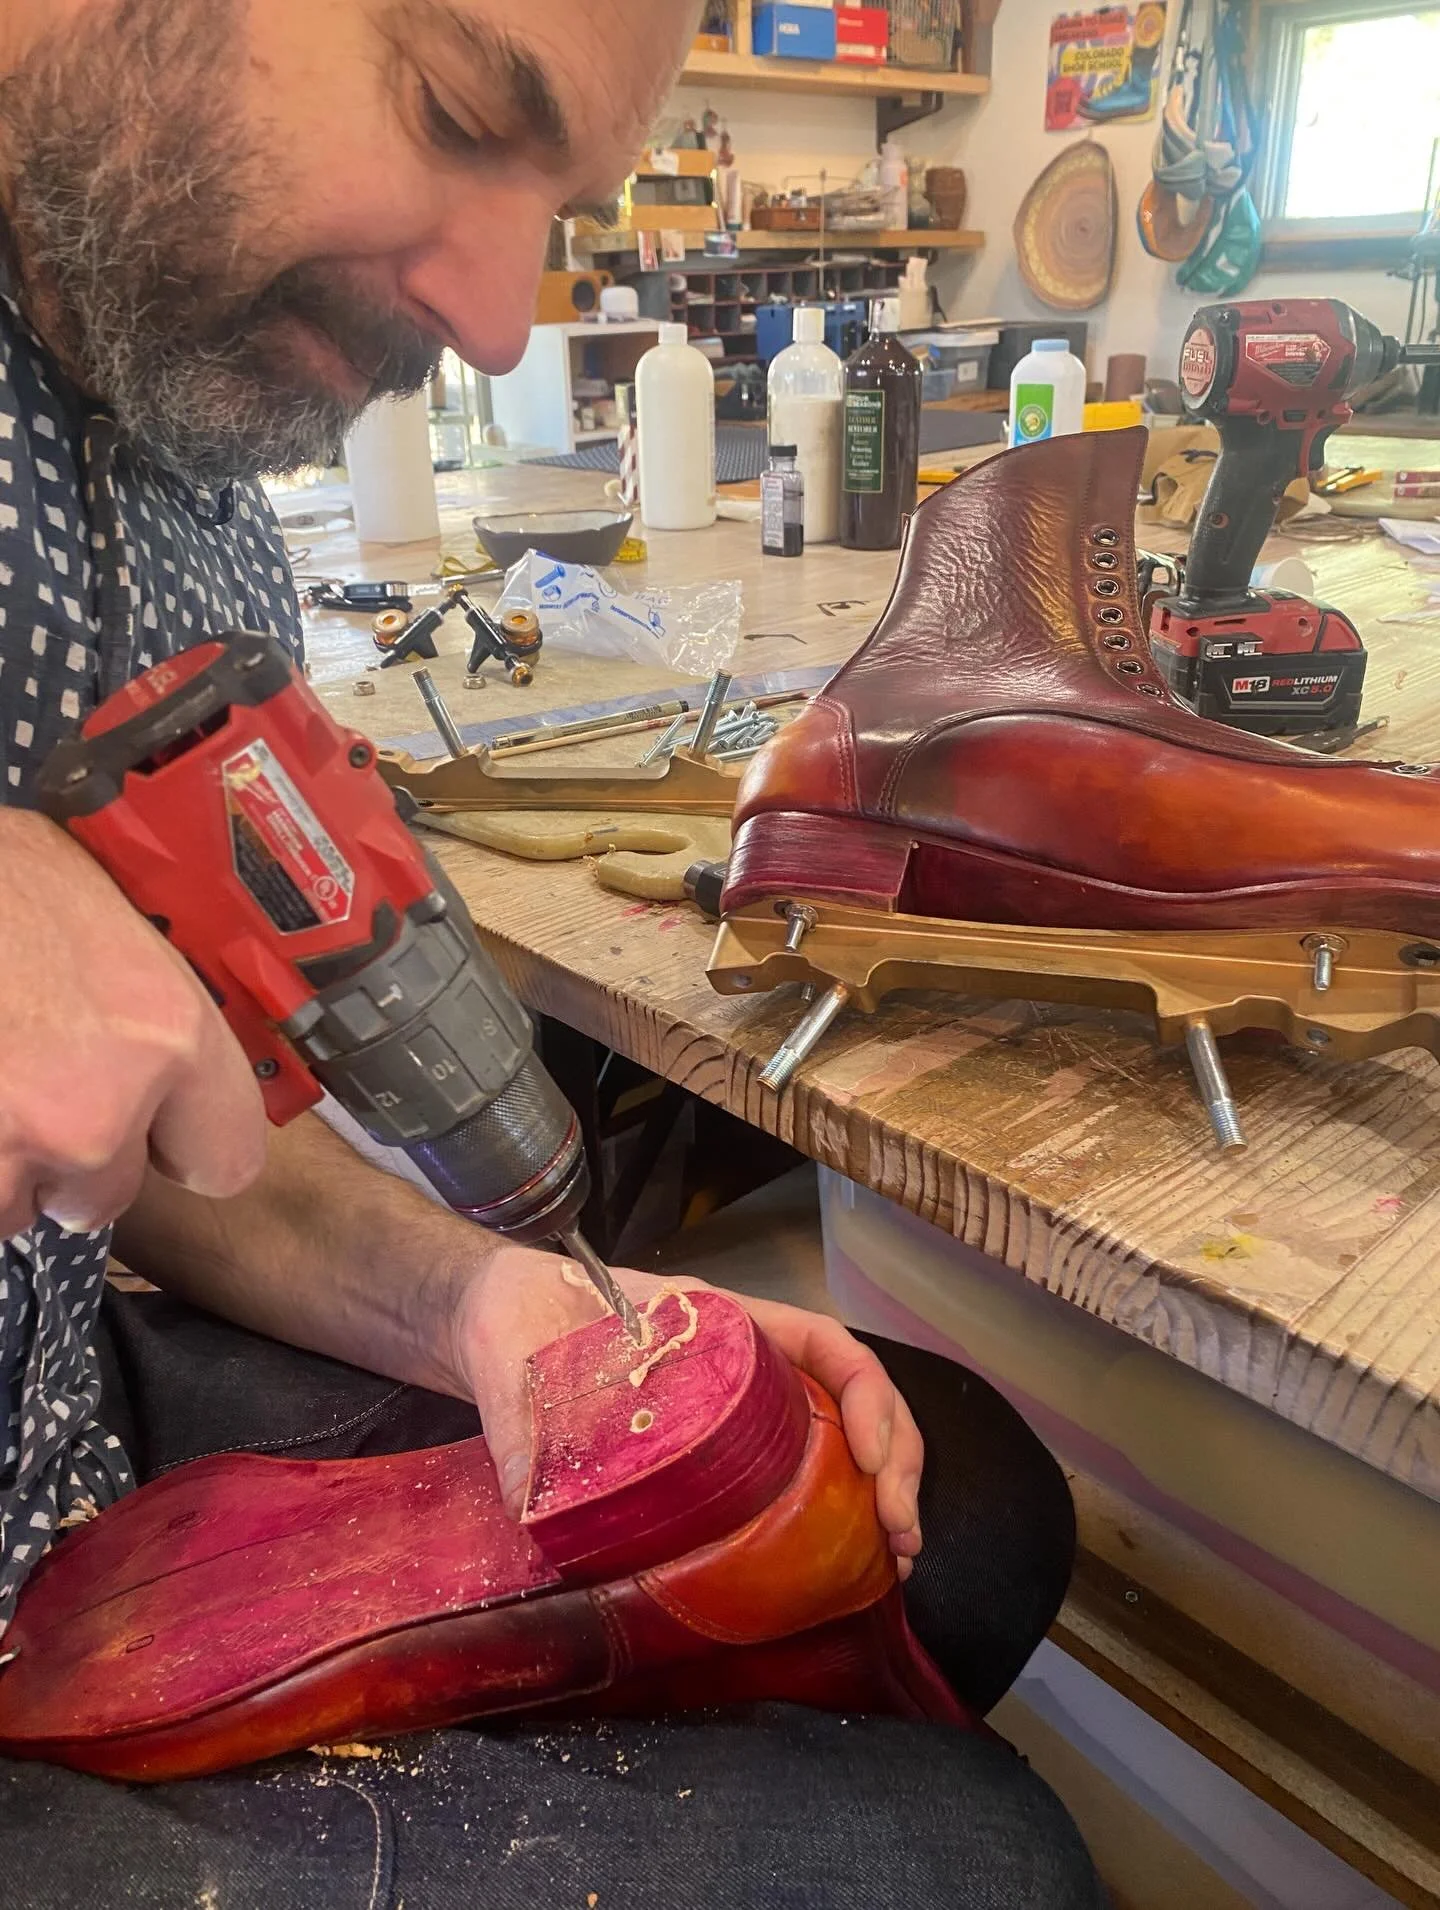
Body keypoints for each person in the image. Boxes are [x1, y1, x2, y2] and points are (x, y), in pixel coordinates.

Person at [0, 2, 1105, 1903]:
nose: (502, 319)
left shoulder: (183, 431)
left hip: (64, 1413)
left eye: (562, 196)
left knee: (949, 1493)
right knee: (968, 1870)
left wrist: (481, 1307)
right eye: (451, 110)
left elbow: (167, 1146)